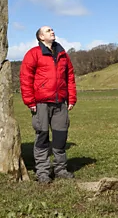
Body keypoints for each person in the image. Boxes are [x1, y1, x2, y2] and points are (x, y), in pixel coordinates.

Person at [19, 25, 77, 184]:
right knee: (42, 137)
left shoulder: (63, 54)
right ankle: (43, 172)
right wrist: (30, 101)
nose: (52, 31)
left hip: (60, 103)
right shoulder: (33, 54)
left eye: (52, 30)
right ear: (40, 37)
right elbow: (25, 78)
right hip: (41, 103)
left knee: (60, 137)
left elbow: (69, 77)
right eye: (47, 30)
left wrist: (71, 98)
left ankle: (60, 170)